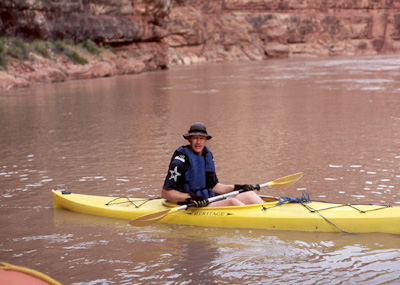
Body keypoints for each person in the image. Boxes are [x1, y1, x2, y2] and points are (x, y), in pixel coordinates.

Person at [161, 122, 265, 207]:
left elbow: (214, 186)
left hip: (208, 199)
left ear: (206, 140)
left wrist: (237, 188)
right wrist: (191, 198)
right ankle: (261, 219)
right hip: (192, 205)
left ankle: (269, 212)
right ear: (189, 139)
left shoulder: (207, 156)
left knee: (250, 195)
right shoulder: (180, 161)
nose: (198, 142)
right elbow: (166, 193)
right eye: (195, 138)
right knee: (233, 202)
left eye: (201, 138)